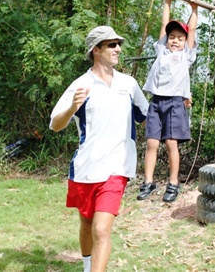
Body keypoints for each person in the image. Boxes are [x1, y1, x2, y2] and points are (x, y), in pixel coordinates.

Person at [49, 26, 149, 272]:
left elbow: (145, 115)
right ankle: (87, 266)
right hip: (86, 168)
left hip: (117, 168)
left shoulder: (129, 84)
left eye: (118, 44)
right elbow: (55, 125)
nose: (118, 49)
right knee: (86, 224)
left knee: (102, 229)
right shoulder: (81, 85)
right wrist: (72, 107)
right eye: (112, 45)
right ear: (96, 50)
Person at [137, 0, 198, 203]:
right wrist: (167, 3)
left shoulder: (186, 56)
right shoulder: (162, 51)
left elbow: (192, 33)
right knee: (152, 143)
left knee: (171, 143)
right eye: (172, 37)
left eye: (180, 38)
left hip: (175, 102)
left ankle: (173, 182)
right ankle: (148, 181)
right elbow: (164, 25)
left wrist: (194, 10)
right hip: (156, 101)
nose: (175, 41)